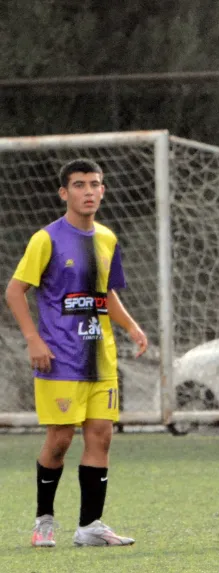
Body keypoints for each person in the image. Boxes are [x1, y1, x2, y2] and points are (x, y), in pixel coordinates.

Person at [5, 159, 147, 548]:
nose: (88, 191)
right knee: (60, 440)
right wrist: (33, 340)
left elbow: (106, 293)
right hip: (59, 357)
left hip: (100, 356)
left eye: (95, 184)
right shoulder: (46, 239)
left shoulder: (107, 239)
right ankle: (44, 520)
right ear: (64, 193)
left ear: (103, 191)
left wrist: (131, 326)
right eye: (79, 184)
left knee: (100, 437)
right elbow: (15, 291)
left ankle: (90, 526)